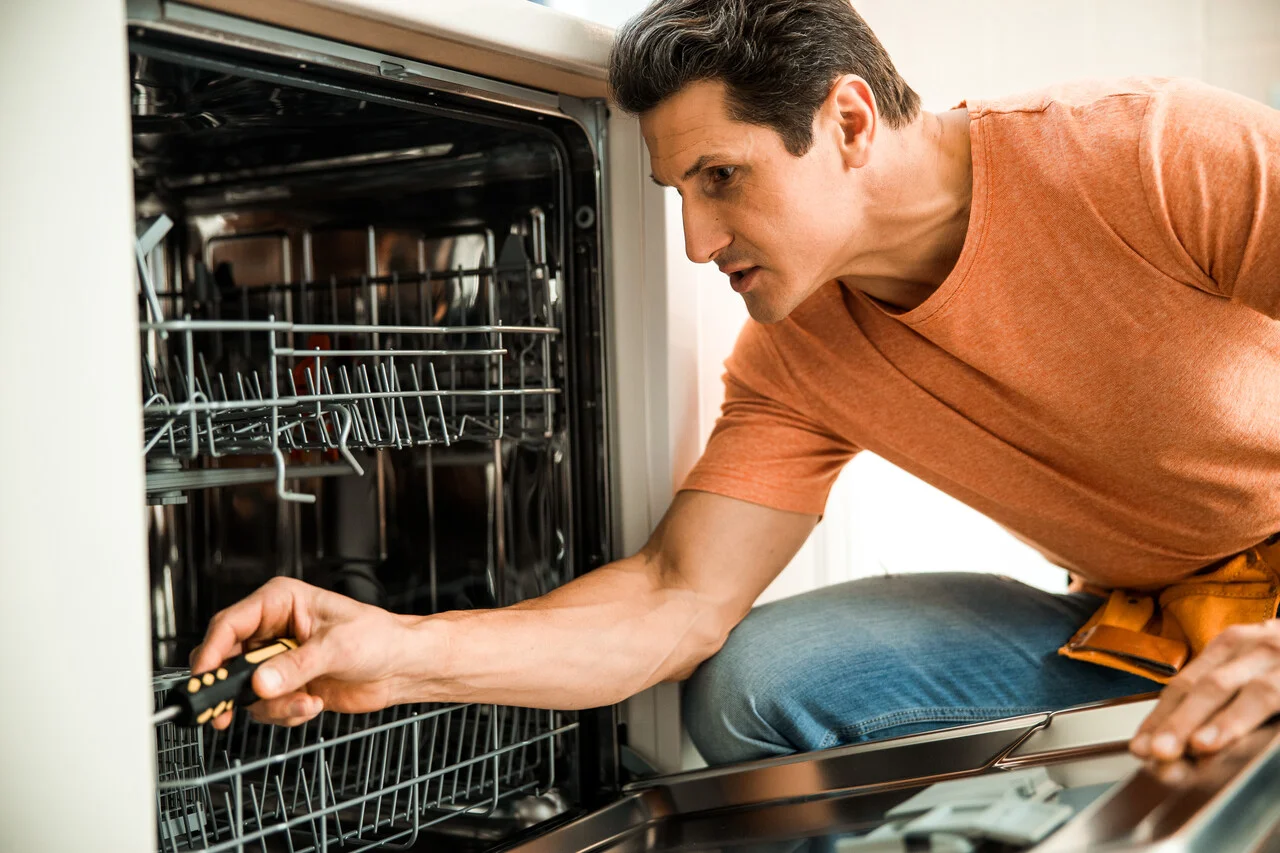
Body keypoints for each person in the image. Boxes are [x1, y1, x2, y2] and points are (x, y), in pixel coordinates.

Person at [191, 0, 1280, 767]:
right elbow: (675, 597)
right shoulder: (795, 350)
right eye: (676, 190)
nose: (697, 239)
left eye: (722, 177)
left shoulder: (1149, 151)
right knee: (756, 681)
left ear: (846, 121)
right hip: (1145, 623)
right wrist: (402, 654)